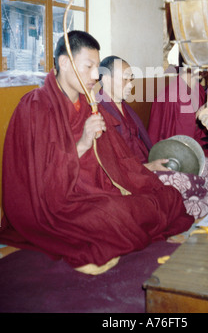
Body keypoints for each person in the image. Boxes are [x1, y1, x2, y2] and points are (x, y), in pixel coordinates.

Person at [0, 31, 194, 274]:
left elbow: (118, 158)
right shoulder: (35, 106)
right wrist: (82, 142)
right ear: (64, 63)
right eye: (89, 66)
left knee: (166, 196)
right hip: (57, 203)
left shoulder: (89, 105)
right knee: (113, 216)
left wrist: (140, 175)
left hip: (97, 189)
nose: (95, 74)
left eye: (97, 66)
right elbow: (39, 180)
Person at [97, 56, 208, 219]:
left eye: (132, 79)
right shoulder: (100, 113)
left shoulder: (124, 107)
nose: (131, 85)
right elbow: (111, 165)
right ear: (105, 79)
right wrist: (148, 167)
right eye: (125, 79)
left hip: (148, 163)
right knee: (188, 181)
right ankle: (199, 212)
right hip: (133, 176)